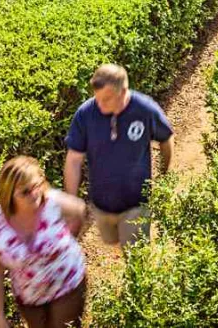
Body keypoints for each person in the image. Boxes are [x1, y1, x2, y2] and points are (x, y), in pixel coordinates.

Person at [64, 63, 174, 247]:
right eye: (96, 98)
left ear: (123, 92)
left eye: (105, 99)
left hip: (136, 203)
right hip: (101, 204)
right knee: (111, 240)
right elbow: (74, 160)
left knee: (136, 256)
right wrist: (71, 201)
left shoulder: (145, 109)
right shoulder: (85, 113)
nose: (99, 105)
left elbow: (166, 139)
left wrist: (164, 174)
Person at [0, 156, 88, 328]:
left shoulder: (52, 202)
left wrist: (67, 240)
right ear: (9, 194)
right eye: (25, 192)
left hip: (67, 285)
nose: (34, 194)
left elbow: (79, 210)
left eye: (36, 186)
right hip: (29, 298)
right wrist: (0, 317)